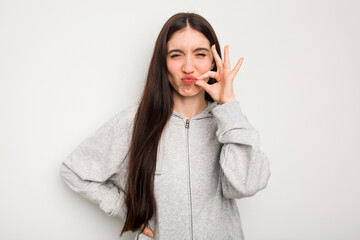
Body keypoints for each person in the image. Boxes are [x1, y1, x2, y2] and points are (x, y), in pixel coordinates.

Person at [60, 12, 271, 240]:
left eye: (200, 54)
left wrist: (228, 105)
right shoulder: (134, 122)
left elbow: (246, 185)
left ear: (213, 60)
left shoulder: (231, 124)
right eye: (176, 55)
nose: (188, 67)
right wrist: (130, 211)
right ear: (163, 61)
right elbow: (74, 171)